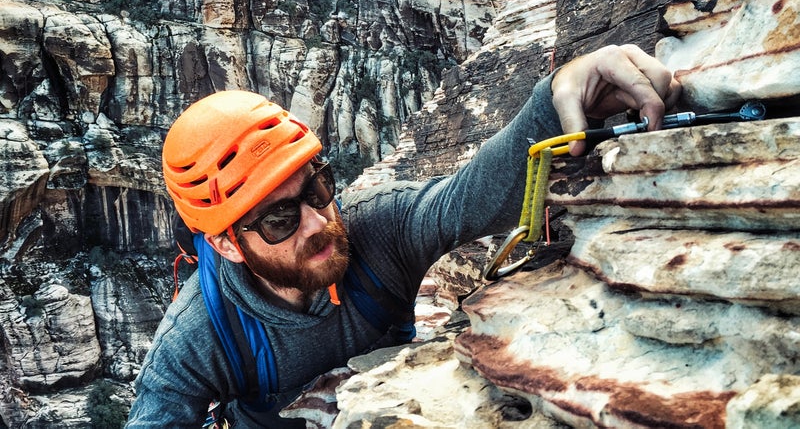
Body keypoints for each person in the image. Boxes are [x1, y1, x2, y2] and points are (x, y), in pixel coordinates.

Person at [125, 44, 681, 428]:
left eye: (317, 187)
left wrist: (560, 95)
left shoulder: (376, 229)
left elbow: (473, 198)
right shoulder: (200, 336)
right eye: (278, 219)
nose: (320, 221)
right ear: (226, 244)